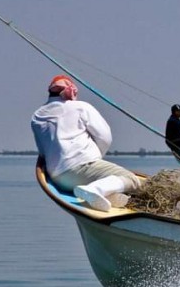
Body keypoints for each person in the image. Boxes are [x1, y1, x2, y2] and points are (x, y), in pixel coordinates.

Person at [31, 75, 142, 212]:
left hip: (58, 178)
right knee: (131, 179)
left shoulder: (37, 116)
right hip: (81, 168)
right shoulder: (81, 107)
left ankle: (107, 196)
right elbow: (105, 137)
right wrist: (96, 159)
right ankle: (95, 189)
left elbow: (43, 152)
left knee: (116, 191)